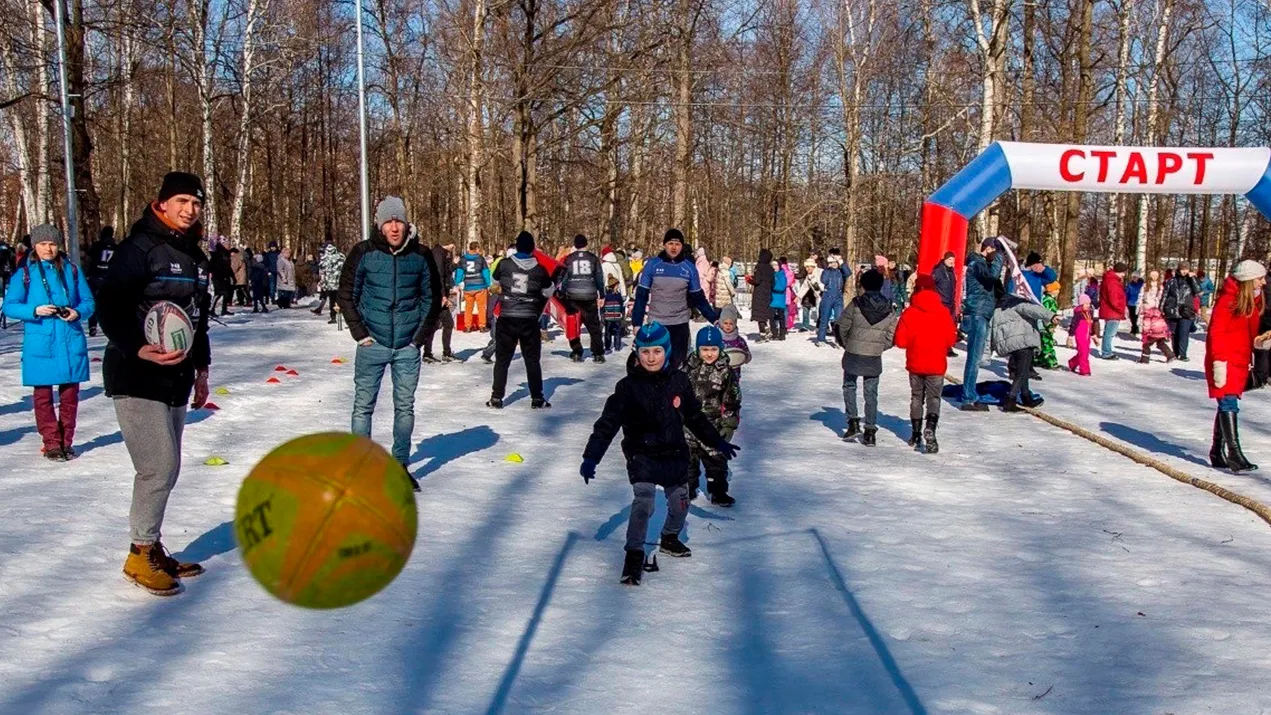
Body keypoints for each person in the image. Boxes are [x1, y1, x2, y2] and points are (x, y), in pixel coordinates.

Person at [98, 171, 213, 596]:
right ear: (160, 203)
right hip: (136, 373)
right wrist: (135, 347)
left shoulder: (196, 257)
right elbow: (108, 306)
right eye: (181, 200)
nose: (189, 209)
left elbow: (196, 321)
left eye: (196, 203)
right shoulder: (139, 248)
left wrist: (202, 369)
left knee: (169, 468)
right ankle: (138, 554)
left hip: (177, 376)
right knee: (157, 467)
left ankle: (152, 544)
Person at [579, 322, 738, 585]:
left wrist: (717, 441)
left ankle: (670, 537)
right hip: (641, 453)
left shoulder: (679, 381)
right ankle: (634, 552)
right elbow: (606, 425)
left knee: (680, 503)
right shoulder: (627, 388)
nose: (651, 358)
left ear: (666, 351)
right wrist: (591, 457)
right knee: (645, 500)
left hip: (674, 452)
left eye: (657, 352)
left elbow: (694, 417)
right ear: (637, 353)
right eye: (645, 352)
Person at [338, 196, 440, 485]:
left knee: (404, 407)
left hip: (407, 347)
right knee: (363, 406)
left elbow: (430, 299)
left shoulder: (421, 255)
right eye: (388, 222)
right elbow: (347, 294)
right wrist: (361, 333)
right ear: (380, 225)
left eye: (399, 221)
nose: (394, 227)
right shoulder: (363, 253)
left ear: (407, 224)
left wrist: (418, 339)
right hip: (373, 344)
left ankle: (400, 465)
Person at [2, 224, 95, 460]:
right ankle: (52, 442)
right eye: (43, 244)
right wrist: (35, 310)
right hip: (40, 341)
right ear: (35, 245)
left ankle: (67, 441)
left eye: (52, 244)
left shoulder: (72, 270)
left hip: (69, 338)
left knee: (70, 395)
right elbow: (9, 305)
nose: (48, 249)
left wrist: (77, 312)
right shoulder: (24, 273)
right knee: (42, 396)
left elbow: (89, 301)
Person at [488, 231, 560, 409]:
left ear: (516, 247)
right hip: (529, 318)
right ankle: (537, 397)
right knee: (532, 359)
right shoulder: (539, 269)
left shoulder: (504, 264)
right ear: (532, 249)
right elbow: (548, 291)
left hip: (507, 316)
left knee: (502, 360)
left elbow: (494, 281)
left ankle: (496, 397)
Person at [1206, 260, 1266, 472]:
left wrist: (1260, 342)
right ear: (1249, 280)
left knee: (1226, 403)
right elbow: (1216, 332)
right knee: (1229, 403)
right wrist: (1218, 361)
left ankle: (1216, 451)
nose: (1264, 282)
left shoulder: (1251, 301)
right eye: (1260, 278)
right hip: (1224, 359)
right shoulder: (1227, 300)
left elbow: (1249, 334)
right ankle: (1234, 453)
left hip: (1240, 359)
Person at [630, 229, 717, 368]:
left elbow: (698, 297)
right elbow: (641, 296)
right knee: (655, 365)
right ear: (664, 245)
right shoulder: (653, 265)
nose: (674, 247)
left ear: (682, 246)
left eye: (677, 244)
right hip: (657, 323)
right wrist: (637, 323)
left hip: (679, 324)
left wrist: (714, 318)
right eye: (670, 243)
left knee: (677, 365)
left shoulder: (689, 268)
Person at [894, 274, 956, 454]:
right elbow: (951, 338)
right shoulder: (943, 311)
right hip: (936, 362)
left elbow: (901, 341)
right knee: (934, 398)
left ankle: (915, 434)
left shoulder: (910, 313)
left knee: (916, 397)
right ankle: (931, 427)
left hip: (916, 362)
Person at [836, 269, 898, 445]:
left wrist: (848, 344)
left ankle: (853, 422)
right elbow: (892, 336)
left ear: (863, 285)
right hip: (873, 356)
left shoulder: (855, 304)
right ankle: (870, 430)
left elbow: (842, 326)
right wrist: (878, 347)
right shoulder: (889, 309)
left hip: (854, 352)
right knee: (871, 393)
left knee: (849, 386)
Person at [682, 325, 741, 506]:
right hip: (688, 426)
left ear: (720, 349)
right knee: (687, 460)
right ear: (697, 349)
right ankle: (687, 488)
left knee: (716, 461)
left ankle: (718, 492)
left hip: (713, 426)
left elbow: (732, 400)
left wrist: (728, 425)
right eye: (704, 349)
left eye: (713, 349)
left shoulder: (726, 372)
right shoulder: (687, 367)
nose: (709, 354)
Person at [991, 283, 1055, 412]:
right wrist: (1051, 316)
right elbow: (1032, 310)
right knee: (1021, 373)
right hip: (1023, 341)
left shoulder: (996, 309)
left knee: (1023, 370)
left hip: (1010, 344)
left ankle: (1026, 397)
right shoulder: (1016, 302)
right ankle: (1010, 400)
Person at [960, 237, 1003, 411]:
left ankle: (969, 394)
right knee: (974, 358)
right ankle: (969, 397)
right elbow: (992, 276)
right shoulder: (977, 264)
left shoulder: (979, 264)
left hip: (981, 312)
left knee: (975, 357)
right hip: (977, 314)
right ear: (989, 249)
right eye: (995, 251)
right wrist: (1000, 255)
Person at [561, 234, 606, 362]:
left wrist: (563, 293)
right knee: (593, 326)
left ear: (575, 245)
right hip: (589, 295)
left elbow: (564, 278)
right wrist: (601, 294)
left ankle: (576, 351)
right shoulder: (593, 258)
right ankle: (598, 353)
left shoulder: (569, 259)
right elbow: (599, 278)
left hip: (573, 295)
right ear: (586, 244)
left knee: (573, 324)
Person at [422, 241, 458, 363]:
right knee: (447, 323)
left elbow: (445, 273)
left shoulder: (442, 254)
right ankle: (443, 353)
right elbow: (439, 276)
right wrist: (442, 296)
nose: (454, 247)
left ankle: (428, 352)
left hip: (437, 294)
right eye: (452, 244)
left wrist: (454, 265)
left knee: (436, 324)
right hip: (436, 295)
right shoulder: (438, 254)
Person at [1163, 263, 1200, 362]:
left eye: (1186, 269)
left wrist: (1192, 279)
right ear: (1179, 269)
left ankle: (1182, 354)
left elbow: (1198, 291)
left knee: (1184, 333)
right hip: (1173, 309)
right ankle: (1175, 353)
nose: (1184, 271)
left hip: (1187, 310)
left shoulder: (1192, 281)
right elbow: (1165, 294)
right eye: (1183, 269)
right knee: (1174, 333)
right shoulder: (1171, 281)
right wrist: (1162, 308)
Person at [85, 226, 116, 336]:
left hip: (95, 277)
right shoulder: (116, 247)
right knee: (108, 303)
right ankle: (111, 326)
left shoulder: (97, 246)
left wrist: (87, 274)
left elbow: (88, 259)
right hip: (109, 278)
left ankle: (93, 325)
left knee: (94, 303)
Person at [1138, 270, 1173, 363]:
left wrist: (1160, 308)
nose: (1154, 277)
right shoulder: (1145, 286)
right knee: (1159, 339)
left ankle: (1145, 358)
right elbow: (1140, 297)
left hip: (1156, 312)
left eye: (1156, 276)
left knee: (1148, 340)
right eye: (1152, 275)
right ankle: (1169, 354)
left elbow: (1161, 298)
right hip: (1147, 309)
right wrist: (1139, 308)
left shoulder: (1160, 287)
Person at [816, 252, 851, 346]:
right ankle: (821, 339)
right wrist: (828, 268)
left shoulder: (841, 271)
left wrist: (841, 262)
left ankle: (838, 340)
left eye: (835, 262)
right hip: (827, 297)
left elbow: (848, 273)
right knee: (824, 318)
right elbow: (823, 280)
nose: (834, 264)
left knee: (838, 319)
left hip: (838, 298)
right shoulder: (826, 271)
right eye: (832, 262)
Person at [458, 241, 492, 332]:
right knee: (481, 307)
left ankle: (467, 326)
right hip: (480, 286)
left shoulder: (463, 259)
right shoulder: (480, 259)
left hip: (468, 287)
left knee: (468, 308)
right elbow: (486, 272)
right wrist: (489, 284)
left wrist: (458, 282)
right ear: (477, 248)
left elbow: (459, 272)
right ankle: (482, 326)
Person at [1097, 263, 1127, 359]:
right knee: (1110, 333)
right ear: (1119, 272)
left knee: (1109, 332)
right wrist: (1120, 308)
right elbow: (1114, 299)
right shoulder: (1112, 282)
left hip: (1110, 310)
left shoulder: (1110, 280)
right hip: (1113, 311)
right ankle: (1106, 352)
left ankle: (1106, 351)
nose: (1124, 275)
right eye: (1123, 272)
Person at [311, 239, 344, 323]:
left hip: (330, 283)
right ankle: (341, 314)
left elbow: (322, 268)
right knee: (340, 298)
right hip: (340, 282)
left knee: (332, 300)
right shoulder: (341, 256)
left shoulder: (325, 258)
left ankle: (333, 317)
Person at [717, 304, 751, 384]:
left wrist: (745, 356)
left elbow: (747, 354)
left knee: (733, 392)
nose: (728, 326)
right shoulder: (717, 338)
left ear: (735, 324)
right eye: (725, 323)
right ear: (721, 323)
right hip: (719, 373)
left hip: (735, 372)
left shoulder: (739, 340)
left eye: (731, 323)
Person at [747, 249, 775, 340]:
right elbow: (773, 283)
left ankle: (763, 335)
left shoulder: (759, 267)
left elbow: (757, 281)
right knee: (763, 314)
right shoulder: (771, 269)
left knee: (759, 315)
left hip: (759, 293)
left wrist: (749, 279)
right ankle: (767, 330)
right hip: (767, 293)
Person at [1068, 294, 1095, 375]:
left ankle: (1072, 363)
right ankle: (1084, 370)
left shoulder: (1089, 313)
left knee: (1085, 352)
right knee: (1084, 352)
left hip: (1087, 336)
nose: (1088, 305)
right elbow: (1073, 325)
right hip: (1080, 336)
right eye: (1086, 304)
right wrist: (1070, 335)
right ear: (1081, 304)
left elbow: (1091, 325)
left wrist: (1093, 334)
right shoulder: (1078, 314)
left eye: (1089, 304)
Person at [795, 257, 822, 331]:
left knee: (823, 312)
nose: (807, 269)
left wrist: (818, 286)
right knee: (819, 312)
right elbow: (804, 287)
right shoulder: (808, 276)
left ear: (813, 266)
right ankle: (819, 328)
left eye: (809, 266)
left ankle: (825, 328)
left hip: (825, 295)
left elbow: (822, 284)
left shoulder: (820, 272)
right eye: (806, 267)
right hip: (818, 296)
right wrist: (798, 297)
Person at [208, 239, 234, 315]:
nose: (229, 246)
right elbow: (212, 264)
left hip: (225, 276)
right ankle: (211, 309)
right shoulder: (218, 253)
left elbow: (228, 267)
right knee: (218, 293)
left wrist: (232, 275)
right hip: (217, 276)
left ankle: (224, 310)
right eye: (227, 244)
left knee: (226, 293)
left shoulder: (226, 254)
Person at [768, 258, 790, 340]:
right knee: (772, 317)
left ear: (779, 266)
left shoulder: (782, 275)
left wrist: (772, 285)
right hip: (772, 300)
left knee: (781, 317)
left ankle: (782, 333)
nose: (774, 267)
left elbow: (781, 287)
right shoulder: (770, 275)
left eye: (776, 265)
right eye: (772, 265)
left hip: (780, 299)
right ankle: (774, 333)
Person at [602, 276, 625, 353]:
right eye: (617, 285)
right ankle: (617, 346)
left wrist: (603, 314)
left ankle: (607, 346)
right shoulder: (618, 295)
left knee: (608, 332)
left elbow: (603, 306)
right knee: (617, 332)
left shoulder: (606, 295)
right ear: (614, 285)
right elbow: (621, 305)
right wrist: (622, 313)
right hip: (616, 316)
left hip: (608, 317)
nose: (618, 286)